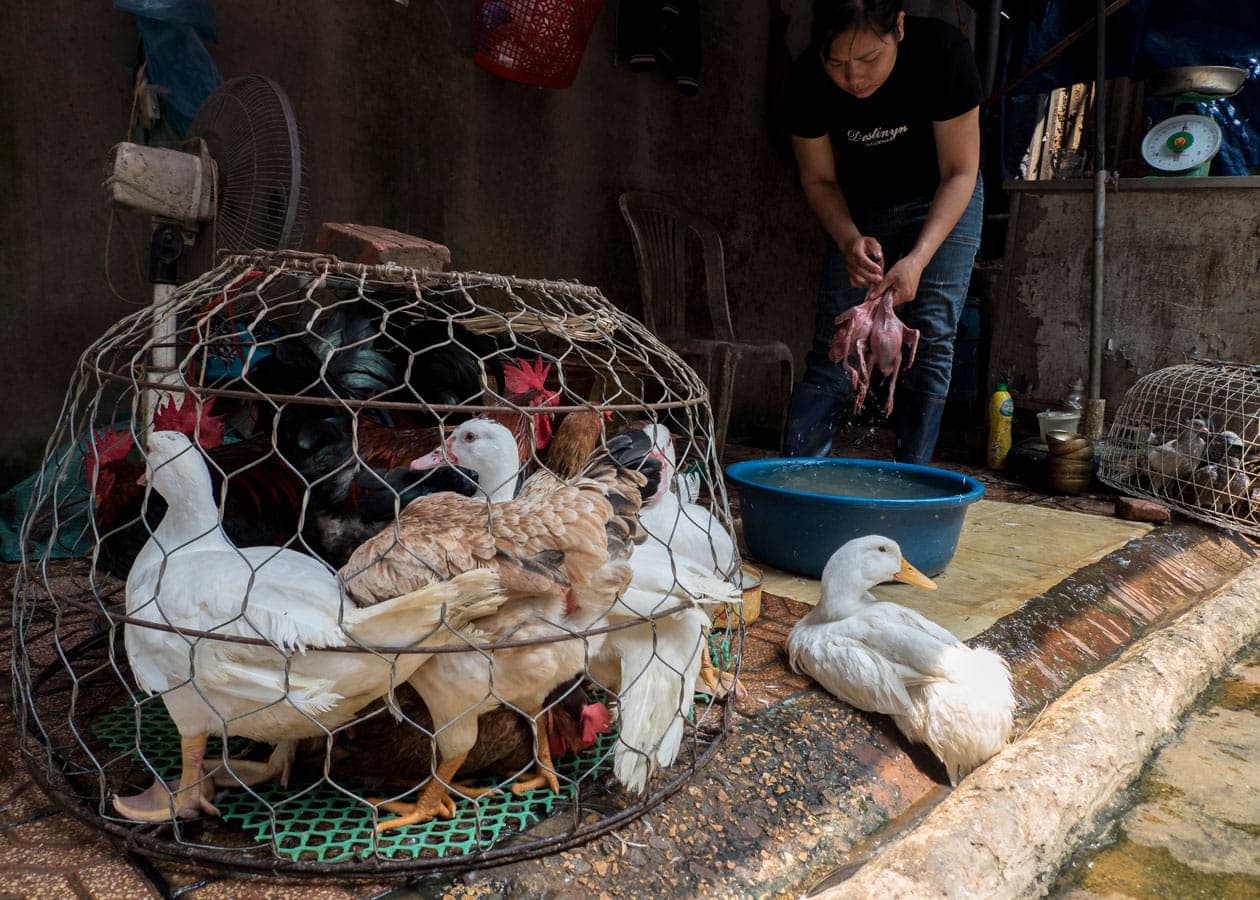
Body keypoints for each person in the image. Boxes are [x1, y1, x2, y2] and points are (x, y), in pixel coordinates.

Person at [781, 0, 983, 464]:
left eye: (869, 59)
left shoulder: (942, 53)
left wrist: (918, 257)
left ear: (900, 27)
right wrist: (849, 238)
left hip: (942, 194)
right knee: (837, 338)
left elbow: (959, 171)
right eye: (837, 63)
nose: (853, 78)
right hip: (860, 204)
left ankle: (912, 481)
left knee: (930, 335)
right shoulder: (806, 79)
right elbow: (819, 180)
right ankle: (796, 477)